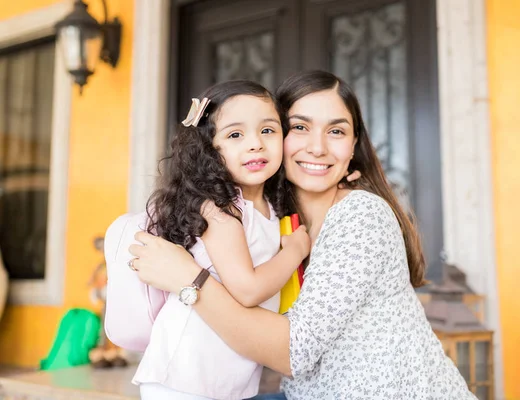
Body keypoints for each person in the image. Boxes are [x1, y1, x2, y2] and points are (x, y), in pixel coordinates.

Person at [128, 70, 477, 400]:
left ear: (354, 146)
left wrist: (188, 280)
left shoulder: (361, 215)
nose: (318, 148)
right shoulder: (273, 218)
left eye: (336, 132)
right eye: (299, 127)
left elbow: (292, 351)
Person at [104, 80, 312, 400]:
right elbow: (248, 289)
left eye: (267, 130)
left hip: (226, 374)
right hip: (185, 374)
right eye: (235, 135)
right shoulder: (221, 209)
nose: (255, 143)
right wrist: (295, 251)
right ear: (210, 149)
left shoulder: (270, 207)